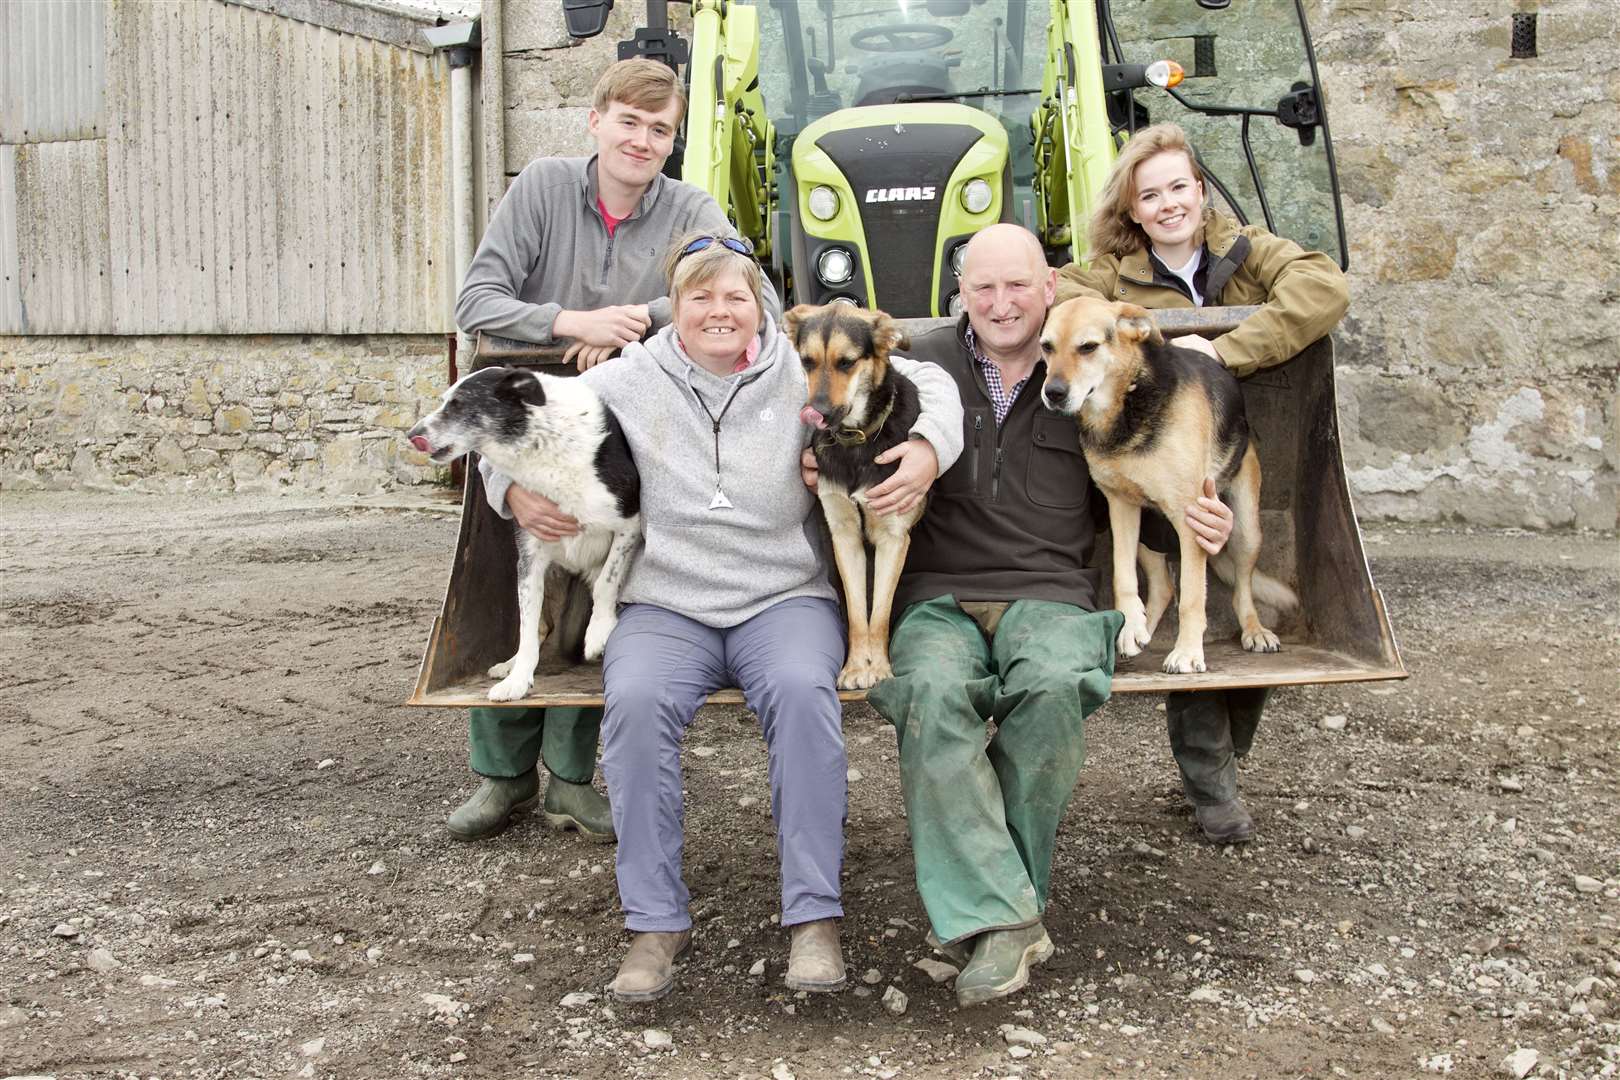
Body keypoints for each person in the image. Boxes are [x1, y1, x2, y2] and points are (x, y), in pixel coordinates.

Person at [497, 234, 959, 1002]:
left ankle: (814, 917)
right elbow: (518, 413)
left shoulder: (798, 363)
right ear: (674, 308)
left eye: (735, 296)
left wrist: (928, 449)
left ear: (760, 307)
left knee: (806, 701)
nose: (719, 311)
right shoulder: (633, 376)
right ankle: (654, 924)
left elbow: (931, 382)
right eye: (699, 297)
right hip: (667, 602)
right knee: (635, 705)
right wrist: (505, 489)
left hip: (784, 597)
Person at [835, 223, 1231, 1008]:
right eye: (982, 288)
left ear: (1050, 288)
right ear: (960, 296)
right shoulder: (920, 372)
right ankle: (1013, 916)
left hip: (1053, 592)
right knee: (929, 696)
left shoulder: (1091, 372)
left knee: (1053, 685)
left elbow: (1140, 491)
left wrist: (1193, 525)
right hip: (936, 594)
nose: (1000, 302)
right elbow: (835, 441)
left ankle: (992, 915)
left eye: (1017, 285)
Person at [446, 57, 776, 845]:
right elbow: (477, 302)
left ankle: (567, 780)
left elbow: (750, 285)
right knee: (511, 566)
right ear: (596, 120)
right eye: (629, 121)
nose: (643, 139)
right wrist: (571, 323)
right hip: (526, 417)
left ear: (674, 142)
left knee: (601, 594)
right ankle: (500, 780)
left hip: (624, 426)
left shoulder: (690, 206)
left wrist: (631, 323)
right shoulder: (543, 188)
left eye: (660, 129)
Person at [1054, 122, 1350, 845]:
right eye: (1148, 195)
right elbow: (1057, 297)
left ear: (1200, 190)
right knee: (1203, 617)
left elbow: (1324, 286)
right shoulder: (1111, 276)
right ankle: (1211, 783)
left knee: (1246, 606)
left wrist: (1219, 348)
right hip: (1149, 455)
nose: (1167, 204)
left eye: (1178, 187)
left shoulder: (1248, 254)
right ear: (1131, 208)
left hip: (1240, 449)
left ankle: (1225, 753)